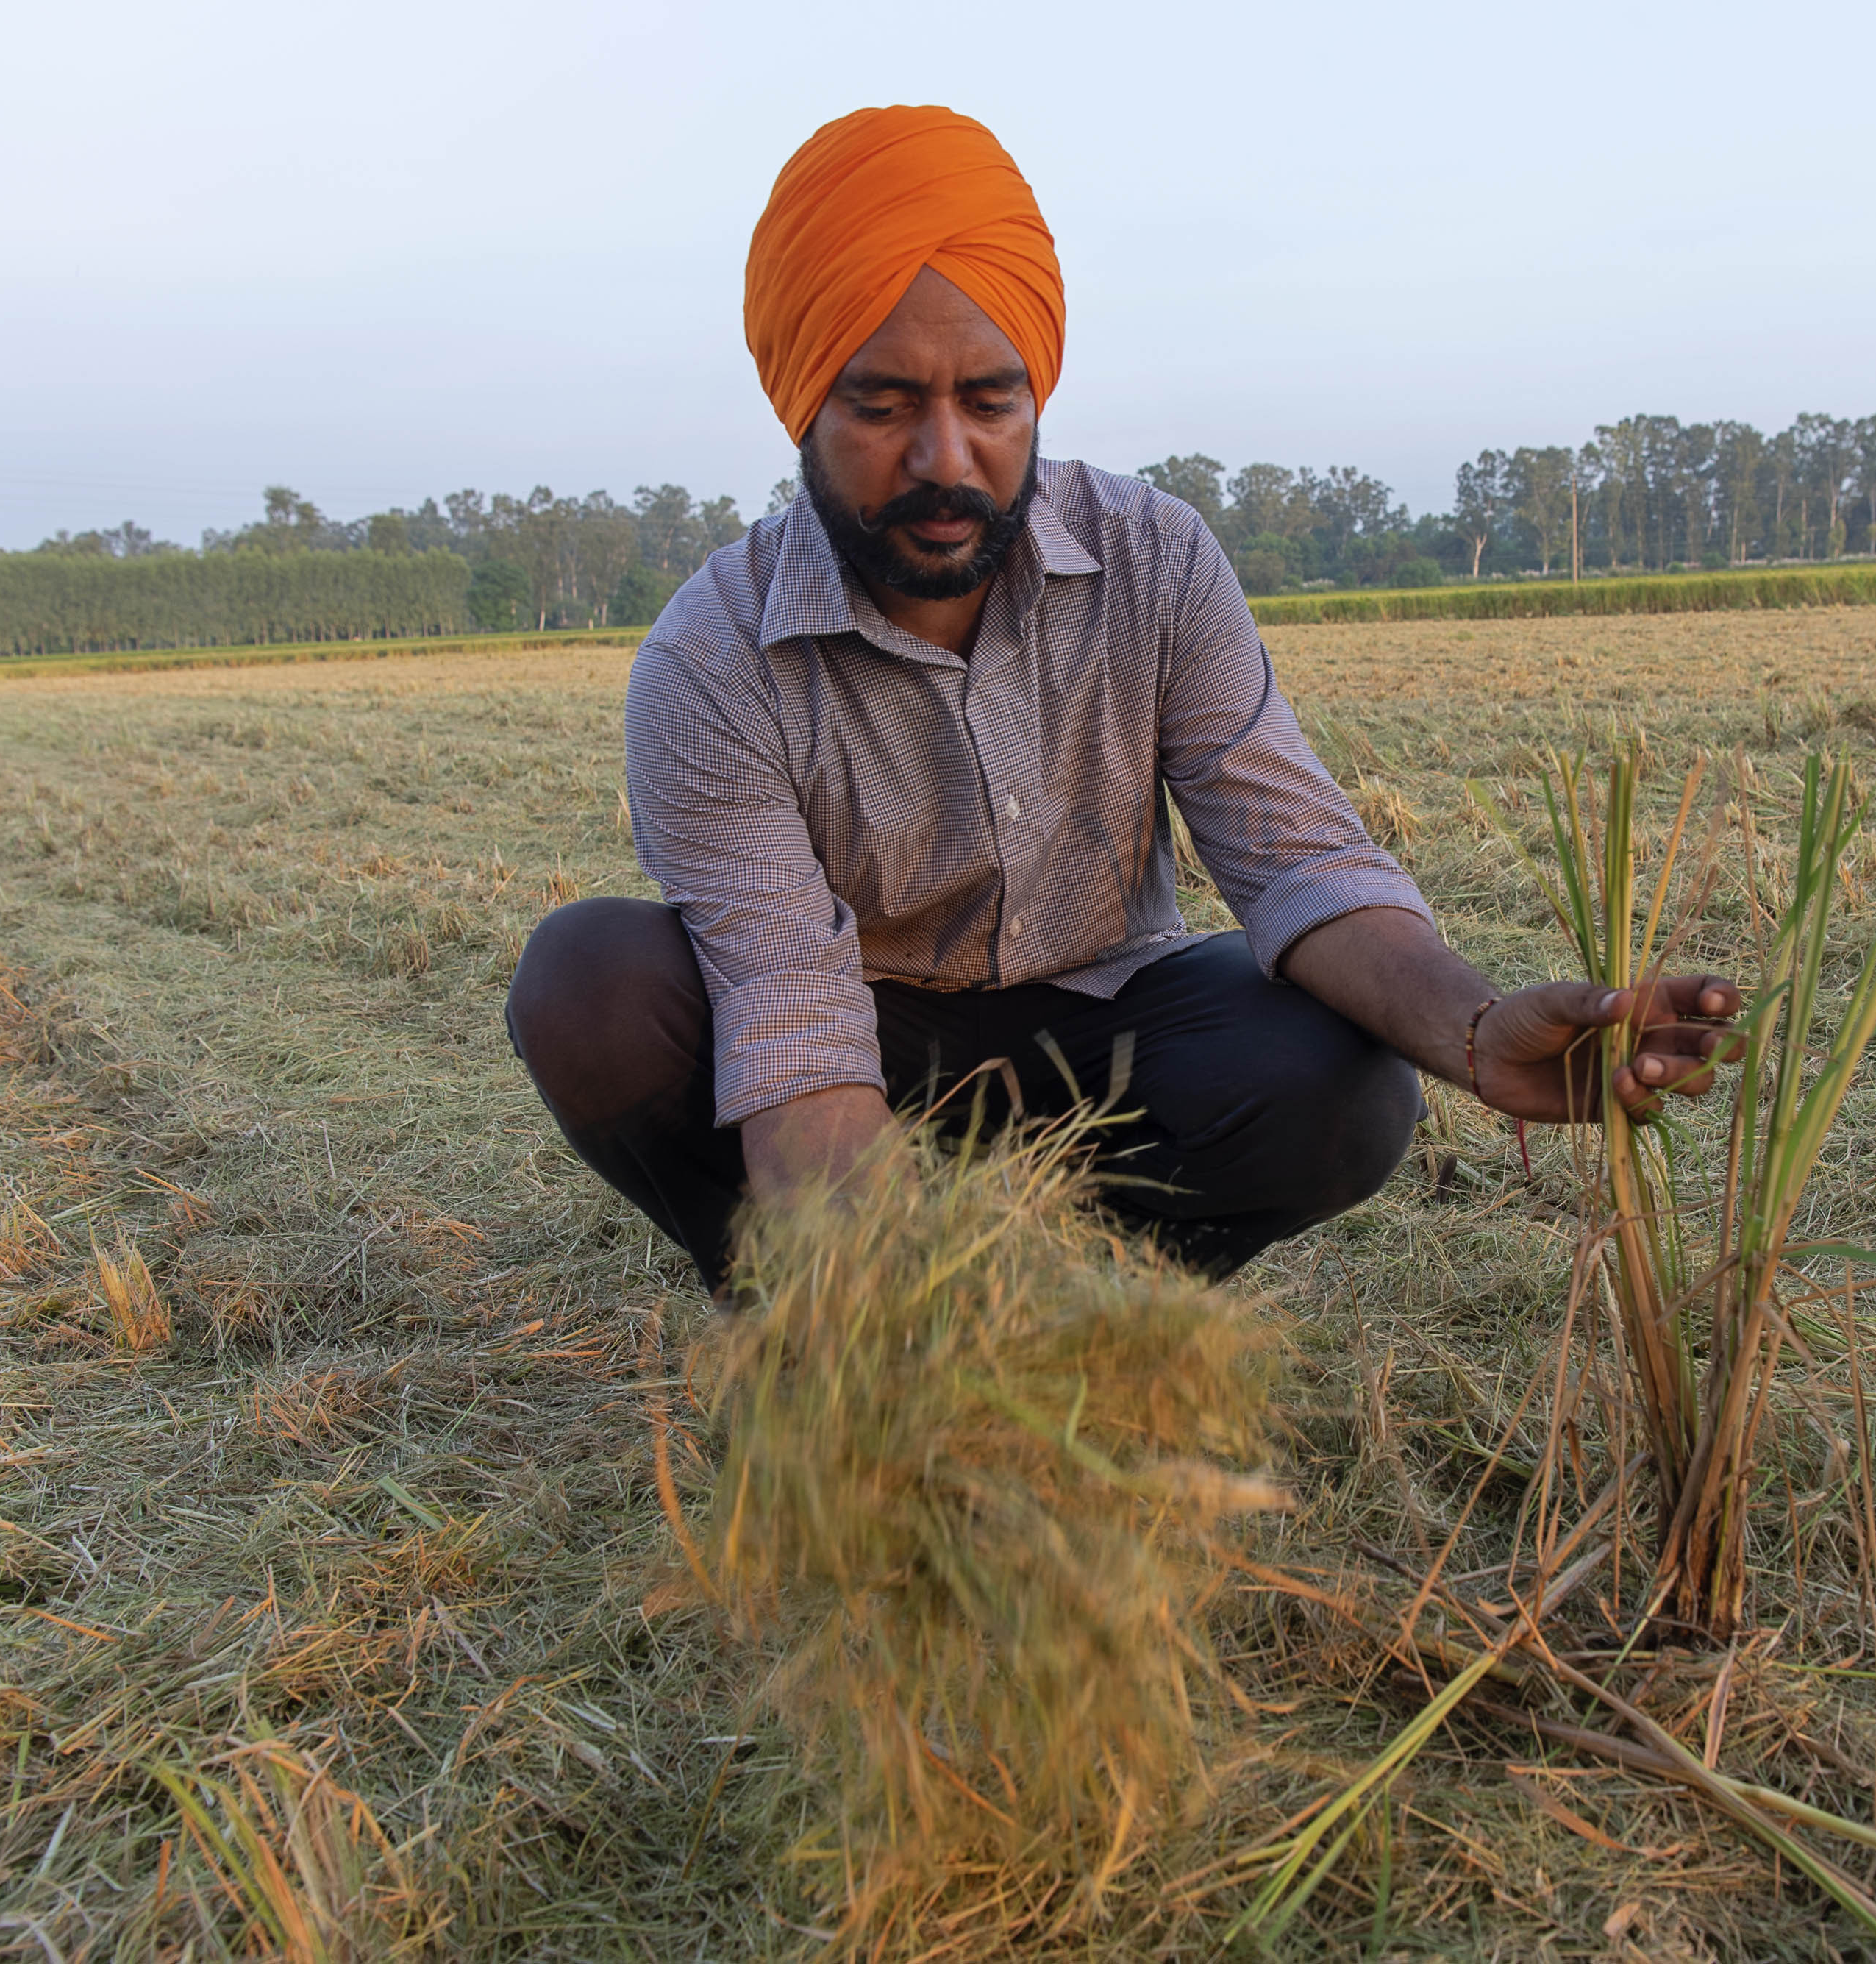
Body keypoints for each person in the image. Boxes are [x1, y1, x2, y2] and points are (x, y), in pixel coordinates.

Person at [507, 104, 1741, 1288]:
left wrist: (1476, 1035)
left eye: (990, 401)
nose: (946, 459)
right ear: (803, 407)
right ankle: (806, 1300)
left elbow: (1296, 858)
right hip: (865, 1041)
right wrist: (872, 1317)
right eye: (881, 405)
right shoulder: (712, 660)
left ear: (1036, 391)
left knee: (1345, 1084)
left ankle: (1087, 1301)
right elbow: (791, 1012)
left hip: (1106, 1024)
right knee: (593, 983)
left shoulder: (1155, 558)